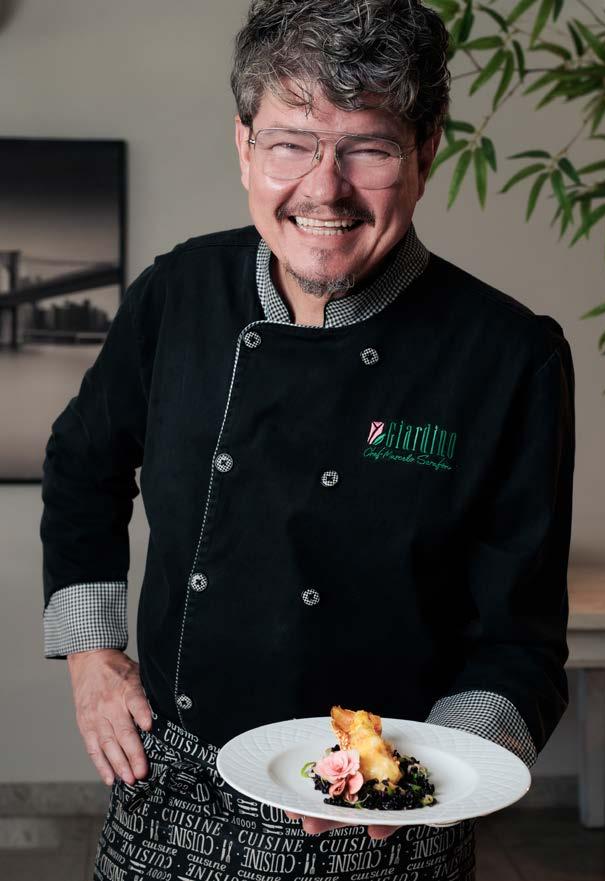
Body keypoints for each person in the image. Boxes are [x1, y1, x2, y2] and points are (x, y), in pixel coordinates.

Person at [40, 1, 576, 879]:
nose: (324, 189)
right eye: (291, 144)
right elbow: (81, 463)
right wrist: (92, 656)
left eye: (367, 148)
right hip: (172, 792)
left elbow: (519, 639)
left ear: (425, 153)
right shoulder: (179, 292)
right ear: (244, 146)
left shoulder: (508, 356)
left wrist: (432, 774)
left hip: (387, 817)